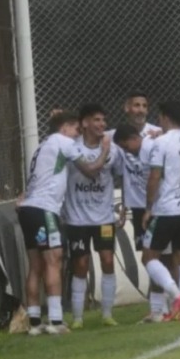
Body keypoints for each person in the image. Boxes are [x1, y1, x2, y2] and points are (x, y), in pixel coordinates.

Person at [18, 110, 111, 336]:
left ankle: (33, 322)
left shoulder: (43, 145)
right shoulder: (63, 142)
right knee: (54, 260)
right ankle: (56, 320)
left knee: (35, 265)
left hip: (28, 209)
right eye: (75, 130)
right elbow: (90, 170)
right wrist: (105, 150)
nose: (77, 135)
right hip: (44, 209)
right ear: (64, 128)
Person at [113, 91, 177, 323]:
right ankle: (160, 309)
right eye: (136, 105)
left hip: (160, 206)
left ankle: (170, 305)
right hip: (140, 208)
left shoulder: (157, 134)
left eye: (144, 105)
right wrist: (124, 205)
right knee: (151, 258)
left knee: (163, 258)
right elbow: (119, 169)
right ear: (126, 108)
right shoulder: (115, 136)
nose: (140, 109)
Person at [63, 103, 122, 329]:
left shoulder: (113, 150)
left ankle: (107, 314)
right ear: (85, 123)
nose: (102, 125)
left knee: (108, 260)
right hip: (77, 218)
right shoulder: (72, 148)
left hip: (104, 217)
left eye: (104, 121)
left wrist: (123, 205)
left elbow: (120, 174)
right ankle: (78, 318)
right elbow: (91, 169)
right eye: (96, 120)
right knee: (81, 263)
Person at [141, 100, 180, 321]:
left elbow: (154, 176)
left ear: (164, 117)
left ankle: (177, 297)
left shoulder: (161, 143)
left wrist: (148, 208)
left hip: (167, 209)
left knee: (148, 257)